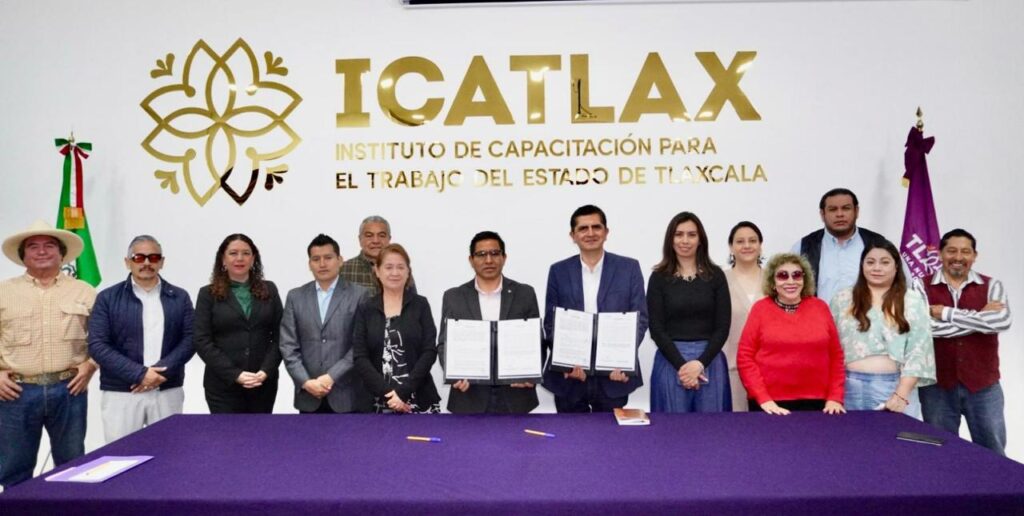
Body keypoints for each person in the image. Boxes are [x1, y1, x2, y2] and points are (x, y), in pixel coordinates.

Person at [0, 220, 96, 487]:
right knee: (14, 469)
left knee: (73, 467)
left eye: (49, 245)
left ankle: (69, 508)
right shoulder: (3, 292)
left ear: (62, 254)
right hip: (15, 393)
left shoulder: (85, 292)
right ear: (23, 256)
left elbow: (104, 337)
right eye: (33, 246)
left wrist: (91, 365)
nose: (42, 251)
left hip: (69, 390)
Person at [88, 235, 195, 442]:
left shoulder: (179, 297)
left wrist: (159, 374)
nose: (146, 263)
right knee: (121, 454)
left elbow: (190, 339)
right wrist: (140, 374)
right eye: (139, 257)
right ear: (127, 262)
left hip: (166, 389)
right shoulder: (107, 298)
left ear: (162, 262)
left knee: (170, 452)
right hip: (122, 392)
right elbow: (97, 345)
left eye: (153, 257)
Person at [542, 205, 648, 413]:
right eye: (583, 228)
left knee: (610, 434)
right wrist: (567, 363)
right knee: (570, 434)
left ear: (606, 232)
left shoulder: (629, 268)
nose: (590, 233)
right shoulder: (558, 271)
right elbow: (551, 322)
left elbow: (640, 319)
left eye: (596, 227)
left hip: (614, 377)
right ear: (573, 235)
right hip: (570, 377)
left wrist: (622, 359)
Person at [918, 229, 1012, 455]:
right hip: (936, 386)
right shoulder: (920, 285)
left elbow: (1001, 322)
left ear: (974, 255)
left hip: (984, 386)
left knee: (993, 451)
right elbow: (924, 328)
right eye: (951, 251)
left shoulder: (993, 285)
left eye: (965, 251)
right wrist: (981, 319)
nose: (958, 257)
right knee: (940, 452)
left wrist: (946, 313)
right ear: (940, 253)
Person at [830, 241, 935, 419]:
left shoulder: (911, 300)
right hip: (846, 388)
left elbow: (920, 350)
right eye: (870, 262)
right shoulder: (842, 298)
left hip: (893, 388)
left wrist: (901, 394)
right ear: (862, 265)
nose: (877, 268)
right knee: (847, 436)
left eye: (885, 262)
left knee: (893, 437)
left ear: (896, 267)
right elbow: (830, 347)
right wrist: (833, 393)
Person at [438, 231, 540, 414]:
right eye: (481, 254)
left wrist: (531, 375)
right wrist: (454, 375)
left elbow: (537, 341)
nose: (488, 260)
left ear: (504, 257)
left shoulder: (525, 293)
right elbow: (444, 344)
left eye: (495, 253)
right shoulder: (454, 297)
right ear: (471, 260)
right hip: (469, 395)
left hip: (516, 395)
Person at [737, 253, 845, 415]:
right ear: (773, 282)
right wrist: (763, 399)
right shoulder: (760, 309)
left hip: (819, 403)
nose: (790, 281)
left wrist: (835, 397)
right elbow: (745, 356)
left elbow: (836, 355)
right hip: (769, 404)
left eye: (797, 275)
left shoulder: (820, 307)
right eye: (782, 276)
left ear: (804, 279)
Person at [647, 212, 731, 412]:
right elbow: (656, 328)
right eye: (679, 234)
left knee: (713, 427)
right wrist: (683, 368)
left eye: (691, 235)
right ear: (670, 239)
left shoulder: (716, 275)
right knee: (672, 428)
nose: (685, 240)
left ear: (700, 239)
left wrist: (699, 364)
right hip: (671, 360)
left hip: (709, 360)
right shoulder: (658, 278)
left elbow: (723, 327)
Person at [279, 234, 371, 414]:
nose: (322, 264)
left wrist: (331, 377)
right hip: (308, 395)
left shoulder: (360, 295)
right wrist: (306, 382)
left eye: (328, 258)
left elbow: (361, 344)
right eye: (316, 259)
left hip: (348, 395)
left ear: (340, 260)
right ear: (309, 264)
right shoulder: (295, 297)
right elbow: (288, 345)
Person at [194, 234, 283, 413]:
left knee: (260, 431)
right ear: (223, 259)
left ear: (253, 258)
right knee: (227, 432)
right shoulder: (207, 294)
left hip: (262, 383)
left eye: (246, 253)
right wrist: (235, 374)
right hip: (223, 385)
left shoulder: (270, 289)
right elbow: (201, 340)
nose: (240, 258)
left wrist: (266, 370)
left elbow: (281, 335)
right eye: (233, 253)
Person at [353, 244, 440, 413]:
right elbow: (360, 357)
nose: (395, 272)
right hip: (376, 400)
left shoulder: (420, 304)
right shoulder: (366, 308)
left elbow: (429, 351)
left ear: (408, 272)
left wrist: (403, 392)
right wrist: (389, 395)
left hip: (418, 397)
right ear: (377, 271)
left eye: (400, 267)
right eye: (388, 267)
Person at [793, 188, 888, 304]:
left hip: (870, 315)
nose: (840, 214)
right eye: (833, 209)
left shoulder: (878, 243)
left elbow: (902, 284)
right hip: (820, 315)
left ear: (856, 211)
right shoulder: (804, 247)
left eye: (846, 208)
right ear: (822, 214)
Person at [722, 221, 765, 411]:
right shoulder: (719, 281)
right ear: (731, 247)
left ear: (760, 245)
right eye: (740, 241)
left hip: (767, 372)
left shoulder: (776, 280)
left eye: (752, 241)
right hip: (731, 370)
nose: (747, 245)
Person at [339, 215, 392, 296]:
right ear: (360, 239)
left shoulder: (399, 270)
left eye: (381, 235)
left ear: (389, 239)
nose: (375, 241)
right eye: (369, 235)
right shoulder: (343, 270)